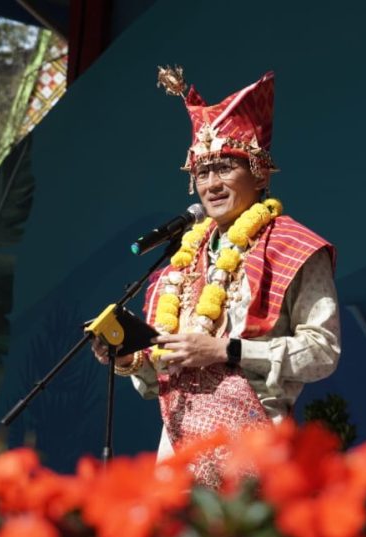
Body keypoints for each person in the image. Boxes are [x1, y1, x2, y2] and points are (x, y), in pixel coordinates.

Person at [93, 67, 340, 483]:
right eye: (202, 172)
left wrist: (226, 351)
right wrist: (130, 359)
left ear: (259, 173)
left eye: (225, 167)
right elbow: (159, 380)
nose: (211, 184)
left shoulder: (294, 247)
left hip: (257, 455)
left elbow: (323, 354)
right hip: (178, 455)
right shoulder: (181, 259)